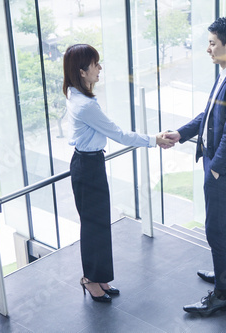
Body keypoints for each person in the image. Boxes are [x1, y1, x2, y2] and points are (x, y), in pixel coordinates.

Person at [63, 44, 173, 302]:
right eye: (95, 64)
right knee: (93, 226)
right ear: (82, 71)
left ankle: (99, 276)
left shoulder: (76, 93)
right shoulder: (85, 105)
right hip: (87, 166)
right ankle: (90, 279)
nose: (100, 68)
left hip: (90, 164)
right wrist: (154, 139)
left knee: (99, 224)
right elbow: (119, 134)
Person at [163, 16, 226, 316]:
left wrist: (215, 169)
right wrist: (181, 133)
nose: (208, 49)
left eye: (213, 44)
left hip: (221, 169)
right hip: (218, 165)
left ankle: (221, 295)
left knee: (215, 228)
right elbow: (209, 115)